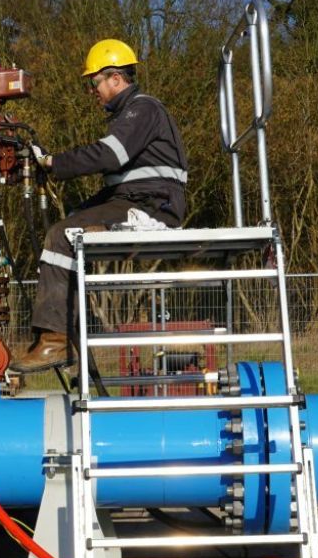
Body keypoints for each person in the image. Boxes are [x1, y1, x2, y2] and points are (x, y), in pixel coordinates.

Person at [13, 39, 190, 372]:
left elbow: (109, 155)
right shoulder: (131, 113)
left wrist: (54, 163)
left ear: (115, 78)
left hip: (152, 204)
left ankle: (56, 342)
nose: (92, 91)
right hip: (139, 197)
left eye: (93, 83)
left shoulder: (143, 108)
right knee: (74, 222)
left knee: (61, 235)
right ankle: (65, 333)